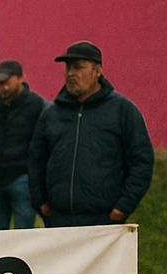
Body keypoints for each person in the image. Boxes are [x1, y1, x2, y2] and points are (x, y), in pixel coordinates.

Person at [28, 40, 153, 227]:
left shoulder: (122, 110)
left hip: (104, 221)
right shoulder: (51, 114)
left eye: (78, 67)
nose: (71, 73)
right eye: (68, 68)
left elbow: (141, 161)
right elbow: (36, 159)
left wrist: (123, 207)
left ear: (97, 71)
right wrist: (40, 202)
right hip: (58, 219)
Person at [0, 59, 45, 229]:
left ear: (20, 79)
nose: (3, 87)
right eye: (0, 83)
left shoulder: (37, 105)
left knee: (23, 235)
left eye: (7, 82)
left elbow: (43, 143)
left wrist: (34, 176)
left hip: (22, 180)